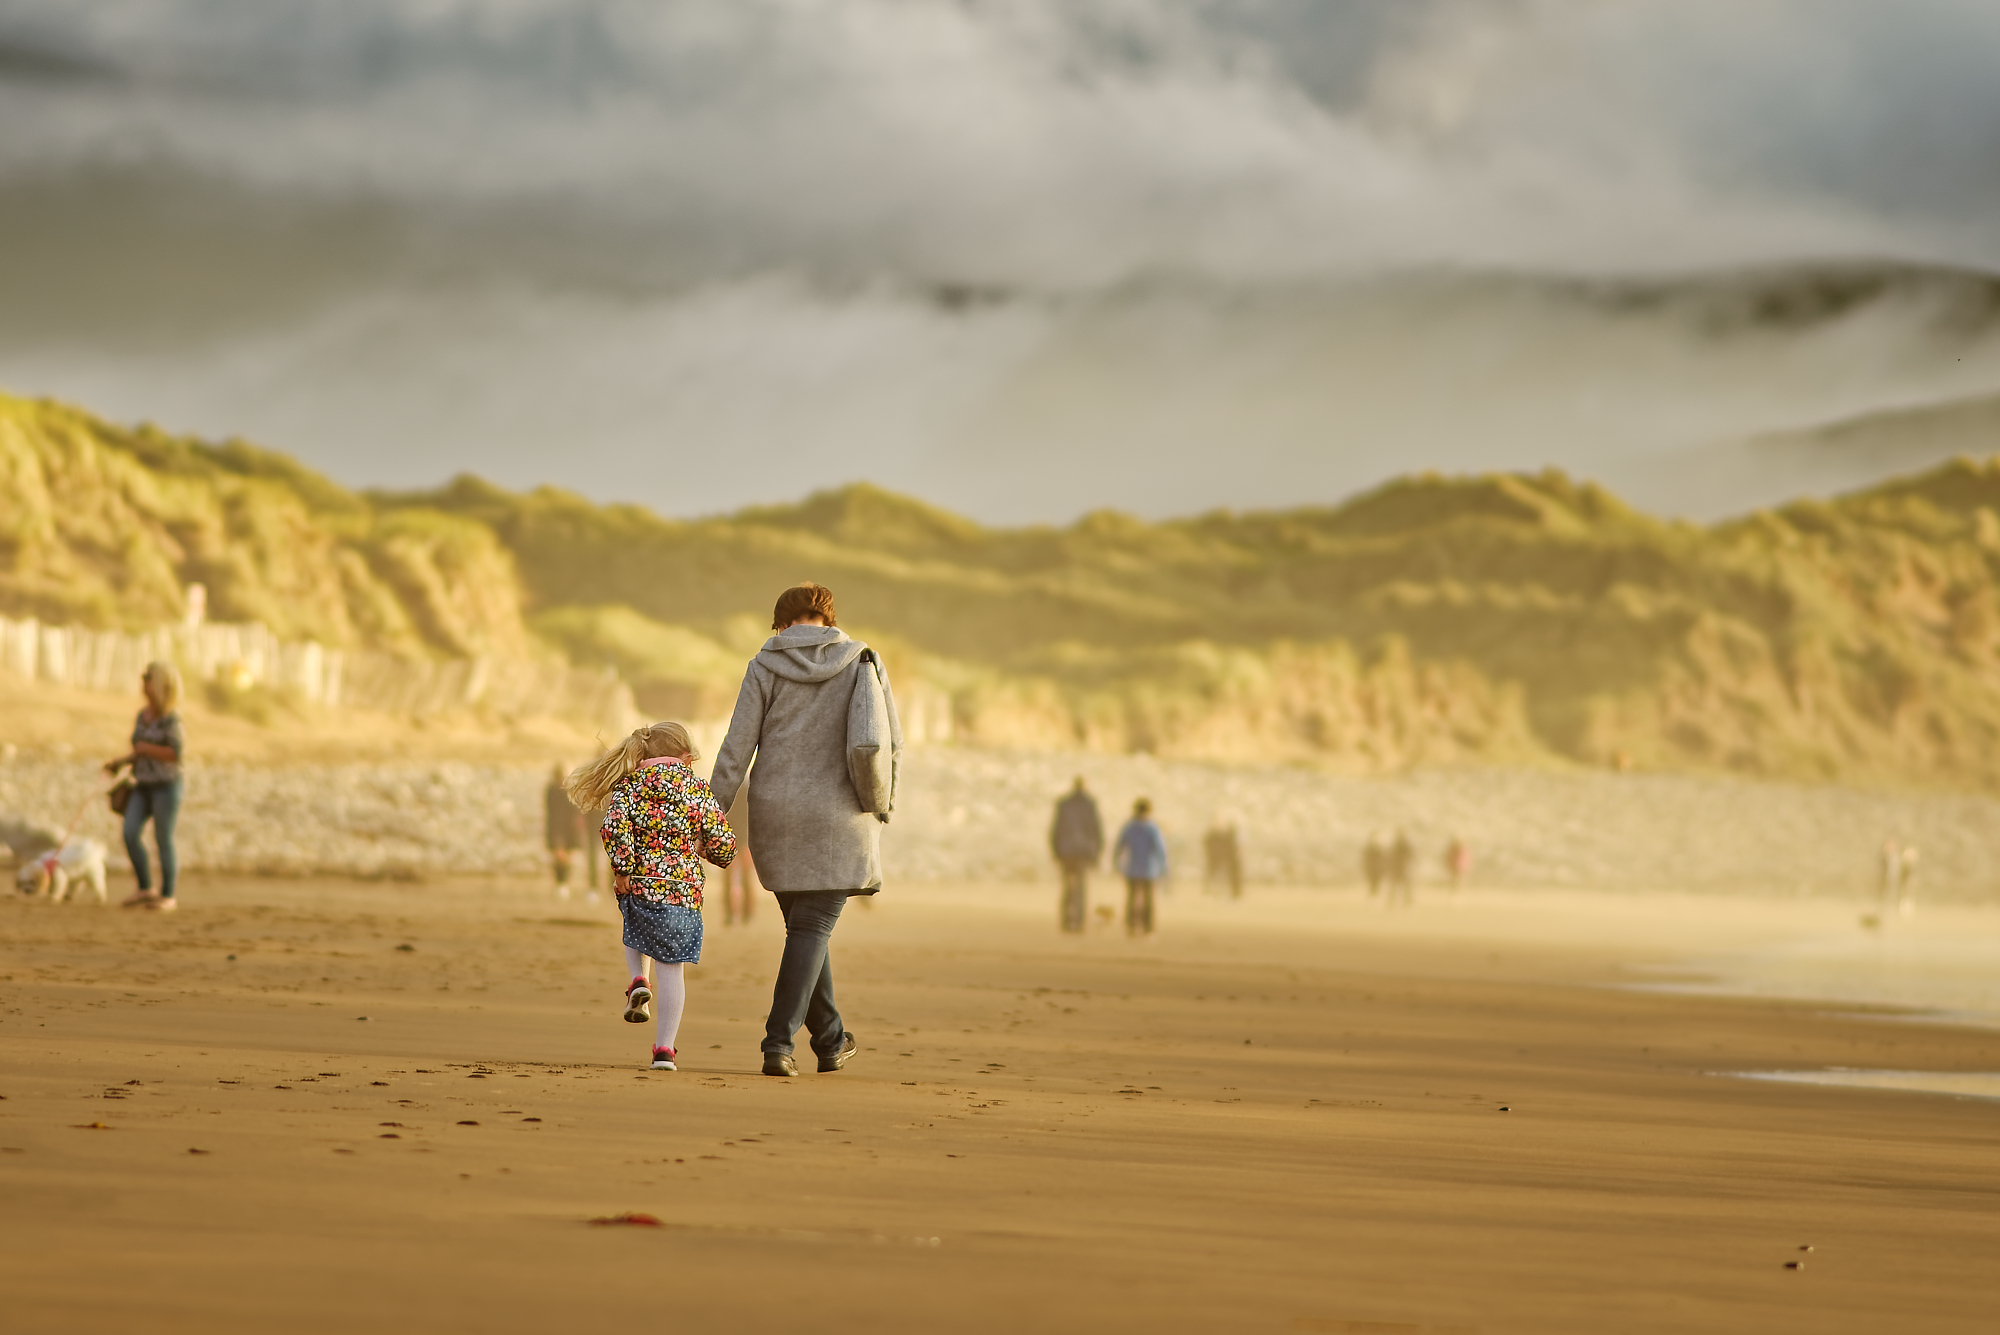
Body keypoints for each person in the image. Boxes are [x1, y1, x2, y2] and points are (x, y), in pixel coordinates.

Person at [710, 582, 902, 1078]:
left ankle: (831, 1039)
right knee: (811, 929)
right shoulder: (862, 661)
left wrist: (708, 813)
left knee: (806, 930)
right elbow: (882, 743)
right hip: (839, 817)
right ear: (829, 619)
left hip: (775, 816)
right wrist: (882, 804)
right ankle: (778, 1042)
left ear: (781, 623)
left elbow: (736, 748)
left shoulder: (763, 665)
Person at [566, 721, 735, 1072]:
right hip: (683, 891)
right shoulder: (697, 789)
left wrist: (623, 869)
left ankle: (638, 980)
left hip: (642, 882)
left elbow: (613, 826)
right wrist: (708, 851)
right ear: (685, 757)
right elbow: (723, 842)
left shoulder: (630, 784)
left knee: (635, 925)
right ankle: (664, 1051)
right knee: (672, 970)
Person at [104, 661, 185, 912]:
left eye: (148, 679)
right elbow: (139, 750)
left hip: (166, 785)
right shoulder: (143, 715)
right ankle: (144, 887)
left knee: (163, 838)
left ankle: (167, 895)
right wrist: (120, 763)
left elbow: (176, 753)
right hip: (142, 784)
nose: (143, 683)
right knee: (130, 832)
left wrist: (147, 749)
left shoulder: (171, 719)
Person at [1049, 777, 1104, 933]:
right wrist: (1097, 853)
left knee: (1067, 888)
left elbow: (1056, 829)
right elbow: (1096, 830)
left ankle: (1066, 921)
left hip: (1065, 851)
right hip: (1083, 852)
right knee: (1080, 889)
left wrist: (1055, 851)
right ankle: (1079, 922)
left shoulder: (1063, 804)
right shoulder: (1090, 804)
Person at [1113, 797, 1167, 936]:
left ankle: (1131, 926)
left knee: (1132, 899)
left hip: (1132, 869)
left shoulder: (1129, 827)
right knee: (1148, 900)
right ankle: (1148, 928)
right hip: (1149, 869)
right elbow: (1160, 850)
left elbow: (1119, 846)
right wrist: (1163, 867)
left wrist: (1116, 863)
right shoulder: (1152, 828)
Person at [720, 791, 761, 926]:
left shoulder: (732, 791)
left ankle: (740, 914)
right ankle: (738, 914)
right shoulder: (747, 791)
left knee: (738, 878)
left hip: (736, 838)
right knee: (740, 878)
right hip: (738, 838)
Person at [544, 763, 584, 898]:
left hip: (569, 828)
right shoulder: (551, 790)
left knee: (567, 858)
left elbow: (576, 809)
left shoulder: (570, 790)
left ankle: (564, 884)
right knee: (559, 856)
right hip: (557, 827)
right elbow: (550, 810)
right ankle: (560, 883)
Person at [1203, 818, 1243, 899]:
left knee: (1231, 876)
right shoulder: (1212, 835)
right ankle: (1210, 892)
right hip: (1215, 858)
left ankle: (1234, 894)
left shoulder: (1230, 835)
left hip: (1229, 858)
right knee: (1213, 875)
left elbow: (1236, 847)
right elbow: (1206, 845)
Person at [1387, 828, 1415, 907]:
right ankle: (1404, 903)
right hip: (1399, 868)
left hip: (1401, 868)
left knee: (1404, 887)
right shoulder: (1401, 844)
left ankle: (1405, 903)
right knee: (1401, 887)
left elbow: (1410, 856)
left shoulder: (1398, 844)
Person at [1362, 831, 1387, 897]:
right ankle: (1373, 895)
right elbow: (1365, 859)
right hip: (1371, 868)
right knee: (1372, 883)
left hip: (1379, 868)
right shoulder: (1368, 848)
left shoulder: (1381, 848)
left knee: (1378, 883)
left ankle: (1376, 895)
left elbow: (1384, 858)